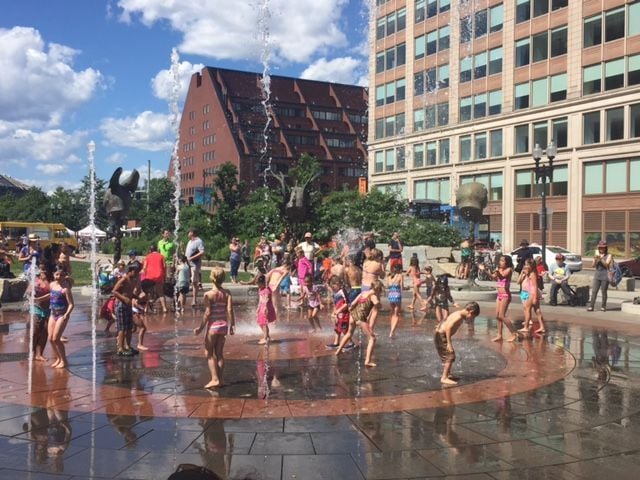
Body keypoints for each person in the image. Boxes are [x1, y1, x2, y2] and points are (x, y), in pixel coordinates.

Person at [193, 267, 235, 388]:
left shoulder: (208, 295)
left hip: (213, 328)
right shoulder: (227, 293)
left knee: (209, 353)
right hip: (223, 327)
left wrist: (200, 328)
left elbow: (207, 313)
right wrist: (232, 324)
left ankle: (214, 379)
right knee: (220, 354)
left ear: (211, 278)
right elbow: (229, 310)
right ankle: (220, 379)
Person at [335, 280, 383, 367]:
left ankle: (338, 351)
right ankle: (367, 361)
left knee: (349, 333)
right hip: (360, 318)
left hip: (353, 315)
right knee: (372, 338)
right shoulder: (373, 296)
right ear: (378, 289)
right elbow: (378, 305)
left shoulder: (363, 293)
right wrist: (379, 304)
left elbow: (353, 304)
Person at [434, 302, 480, 385]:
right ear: (470, 312)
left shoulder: (458, 313)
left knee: (448, 355)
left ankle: (448, 374)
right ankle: (444, 377)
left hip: (440, 334)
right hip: (442, 336)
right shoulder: (458, 317)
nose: (471, 319)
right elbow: (448, 328)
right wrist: (449, 344)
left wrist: (439, 325)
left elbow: (446, 320)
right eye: (472, 317)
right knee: (450, 356)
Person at [482, 255, 517, 342]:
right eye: (500, 260)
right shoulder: (499, 269)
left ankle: (514, 333)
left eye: (502, 261)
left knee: (502, 316)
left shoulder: (509, 270)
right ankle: (499, 335)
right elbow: (493, 277)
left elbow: (502, 276)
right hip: (499, 295)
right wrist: (484, 270)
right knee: (498, 316)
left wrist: (497, 271)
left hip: (505, 295)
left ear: (507, 262)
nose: (500, 262)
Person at [47, 267, 74, 368]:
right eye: (57, 274)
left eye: (61, 275)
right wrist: (38, 299)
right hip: (53, 314)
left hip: (62, 315)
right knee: (50, 339)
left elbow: (71, 304)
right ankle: (58, 358)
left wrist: (67, 313)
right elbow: (50, 296)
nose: (59, 277)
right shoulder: (52, 285)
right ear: (53, 274)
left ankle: (64, 361)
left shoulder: (65, 289)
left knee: (56, 338)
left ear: (64, 276)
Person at [112, 264, 139, 356]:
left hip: (128, 305)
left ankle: (128, 346)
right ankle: (120, 348)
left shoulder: (132, 280)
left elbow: (128, 292)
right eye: (135, 271)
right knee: (122, 328)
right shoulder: (124, 279)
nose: (137, 273)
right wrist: (124, 298)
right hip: (121, 305)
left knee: (129, 327)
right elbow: (114, 291)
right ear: (130, 271)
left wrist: (135, 297)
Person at [326, 275, 355, 350]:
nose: (333, 288)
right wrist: (334, 312)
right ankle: (336, 343)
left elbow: (347, 303)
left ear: (337, 284)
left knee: (344, 330)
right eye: (331, 286)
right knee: (337, 328)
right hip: (339, 314)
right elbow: (335, 304)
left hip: (344, 314)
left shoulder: (342, 291)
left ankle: (351, 343)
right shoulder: (335, 293)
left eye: (334, 286)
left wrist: (338, 310)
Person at [517, 259, 546, 334]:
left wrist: (534, 297)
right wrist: (522, 274)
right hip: (524, 292)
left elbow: (534, 286)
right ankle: (542, 326)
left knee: (528, 310)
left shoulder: (532, 274)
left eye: (527, 265)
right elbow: (518, 282)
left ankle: (526, 327)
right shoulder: (526, 273)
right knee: (532, 310)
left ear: (531, 266)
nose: (525, 266)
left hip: (531, 293)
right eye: (525, 265)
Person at [30, 266, 51, 362]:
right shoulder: (35, 281)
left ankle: (39, 354)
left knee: (45, 332)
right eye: (42, 269)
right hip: (37, 309)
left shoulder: (51, 281)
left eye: (45, 269)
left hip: (49, 309)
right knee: (35, 332)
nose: (44, 271)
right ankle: (32, 353)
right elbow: (28, 294)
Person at [141, 244, 168, 313]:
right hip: (159, 276)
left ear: (150, 250)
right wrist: (164, 276)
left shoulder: (147, 257)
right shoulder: (161, 256)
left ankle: (146, 308)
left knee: (148, 293)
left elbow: (144, 267)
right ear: (157, 250)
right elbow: (164, 267)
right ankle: (164, 308)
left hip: (149, 276)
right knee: (160, 292)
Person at [588, 240, 612, 312]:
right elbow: (592, 266)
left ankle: (603, 306)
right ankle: (591, 306)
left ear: (605, 248)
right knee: (594, 291)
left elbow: (606, 265)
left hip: (605, 275)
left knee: (604, 291)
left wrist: (601, 258)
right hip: (597, 275)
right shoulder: (596, 255)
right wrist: (595, 259)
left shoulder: (609, 255)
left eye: (603, 247)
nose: (601, 249)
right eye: (600, 247)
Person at [185, 228, 205, 306]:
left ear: (192, 233)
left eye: (189, 232)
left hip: (195, 264)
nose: (187, 234)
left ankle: (194, 300)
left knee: (194, 281)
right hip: (188, 264)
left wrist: (191, 258)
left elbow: (202, 252)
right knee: (187, 281)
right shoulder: (189, 241)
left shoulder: (199, 241)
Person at [256, 274, 276, 344]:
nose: (258, 286)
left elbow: (266, 300)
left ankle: (265, 338)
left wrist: (265, 308)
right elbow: (260, 300)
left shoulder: (267, 290)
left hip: (266, 308)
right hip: (262, 307)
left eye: (259, 284)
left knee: (264, 323)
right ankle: (267, 336)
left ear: (263, 283)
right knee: (260, 322)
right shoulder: (260, 289)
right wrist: (258, 307)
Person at [387, 263, 405, 338]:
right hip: (397, 295)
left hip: (390, 295)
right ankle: (392, 332)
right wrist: (406, 288)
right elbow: (402, 287)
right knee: (396, 314)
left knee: (392, 314)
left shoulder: (389, 277)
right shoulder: (400, 276)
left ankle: (392, 331)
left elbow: (388, 286)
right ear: (399, 270)